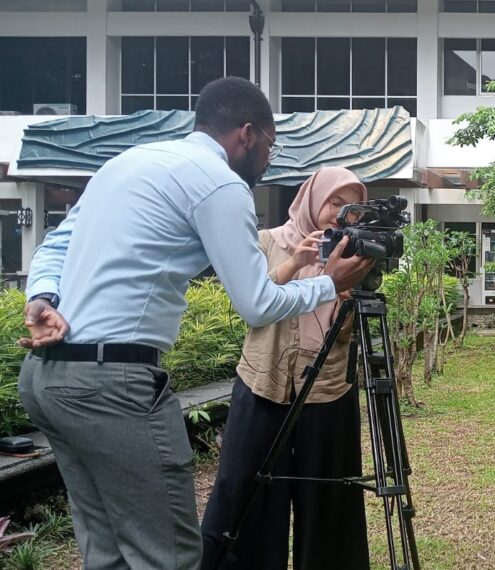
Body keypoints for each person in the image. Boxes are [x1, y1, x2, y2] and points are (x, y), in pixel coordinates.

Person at [16, 77, 373, 569]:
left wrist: (42, 296)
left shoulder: (127, 163)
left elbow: (54, 244)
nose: (270, 159)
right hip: (114, 386)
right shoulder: (221, 183)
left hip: (47, 380)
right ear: (247, 135)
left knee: (108, 552)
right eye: (271, 145)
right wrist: (329, 283)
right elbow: (256, 303)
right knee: (171, 556)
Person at [200, 167, 371, 570]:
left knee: (329, 501)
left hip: (327, 389)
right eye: (335, 202)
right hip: (263, 384)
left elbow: (342, 336)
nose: (342, 214)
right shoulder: (267, 241)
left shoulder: (352, 258)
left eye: (353, 208)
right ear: (313, 198)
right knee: (245, 493)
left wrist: (344, 294)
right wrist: (296, 264)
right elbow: (254, 307)